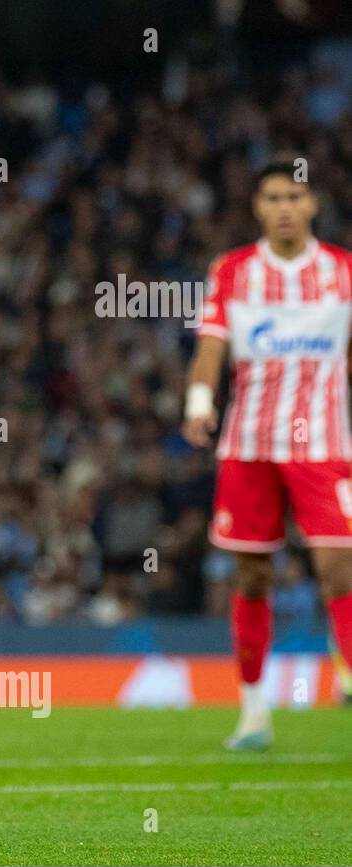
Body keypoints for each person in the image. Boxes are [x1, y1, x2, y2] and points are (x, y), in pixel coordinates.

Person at [183, 158, 352, 750]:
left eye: (295, 196)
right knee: (252, 577)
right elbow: (210, 347)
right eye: (273, 196)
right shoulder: (232, 271)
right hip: (249, 443)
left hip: (325, 444)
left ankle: (348, 670)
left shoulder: (343, 272)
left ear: (312, 206)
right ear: (258, 207)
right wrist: (200, 400)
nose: (284, 206)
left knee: (338, 564)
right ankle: (254, 712)